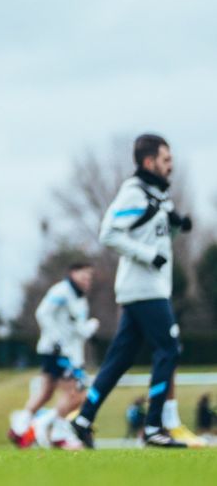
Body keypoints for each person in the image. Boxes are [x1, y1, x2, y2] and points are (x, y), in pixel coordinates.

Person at [69, 134, 192, 449]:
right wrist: (148, 255)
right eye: (166, 160)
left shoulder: (159, 195)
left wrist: (177, 225)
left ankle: (83, 419)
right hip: (144, 288)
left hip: (151, 287)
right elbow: (108, 233)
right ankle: (154, 427)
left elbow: (158, 236)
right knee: (169, 348)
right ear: (149, 162)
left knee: (119, 359)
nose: (171, 166)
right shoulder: (134, 193)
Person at [8, 262, 98, 450]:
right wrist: (57, 340)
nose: (87, 280)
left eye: (89, 277)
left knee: (46, 393)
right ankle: (58, 434)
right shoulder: (61, 291)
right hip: (58, 351)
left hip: (69, 353)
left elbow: (76, 328)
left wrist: (89, 328)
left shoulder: (80, 298)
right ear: (73, 273)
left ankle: (19, 427)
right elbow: (42, 313)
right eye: (84, 275)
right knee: (76, 393)